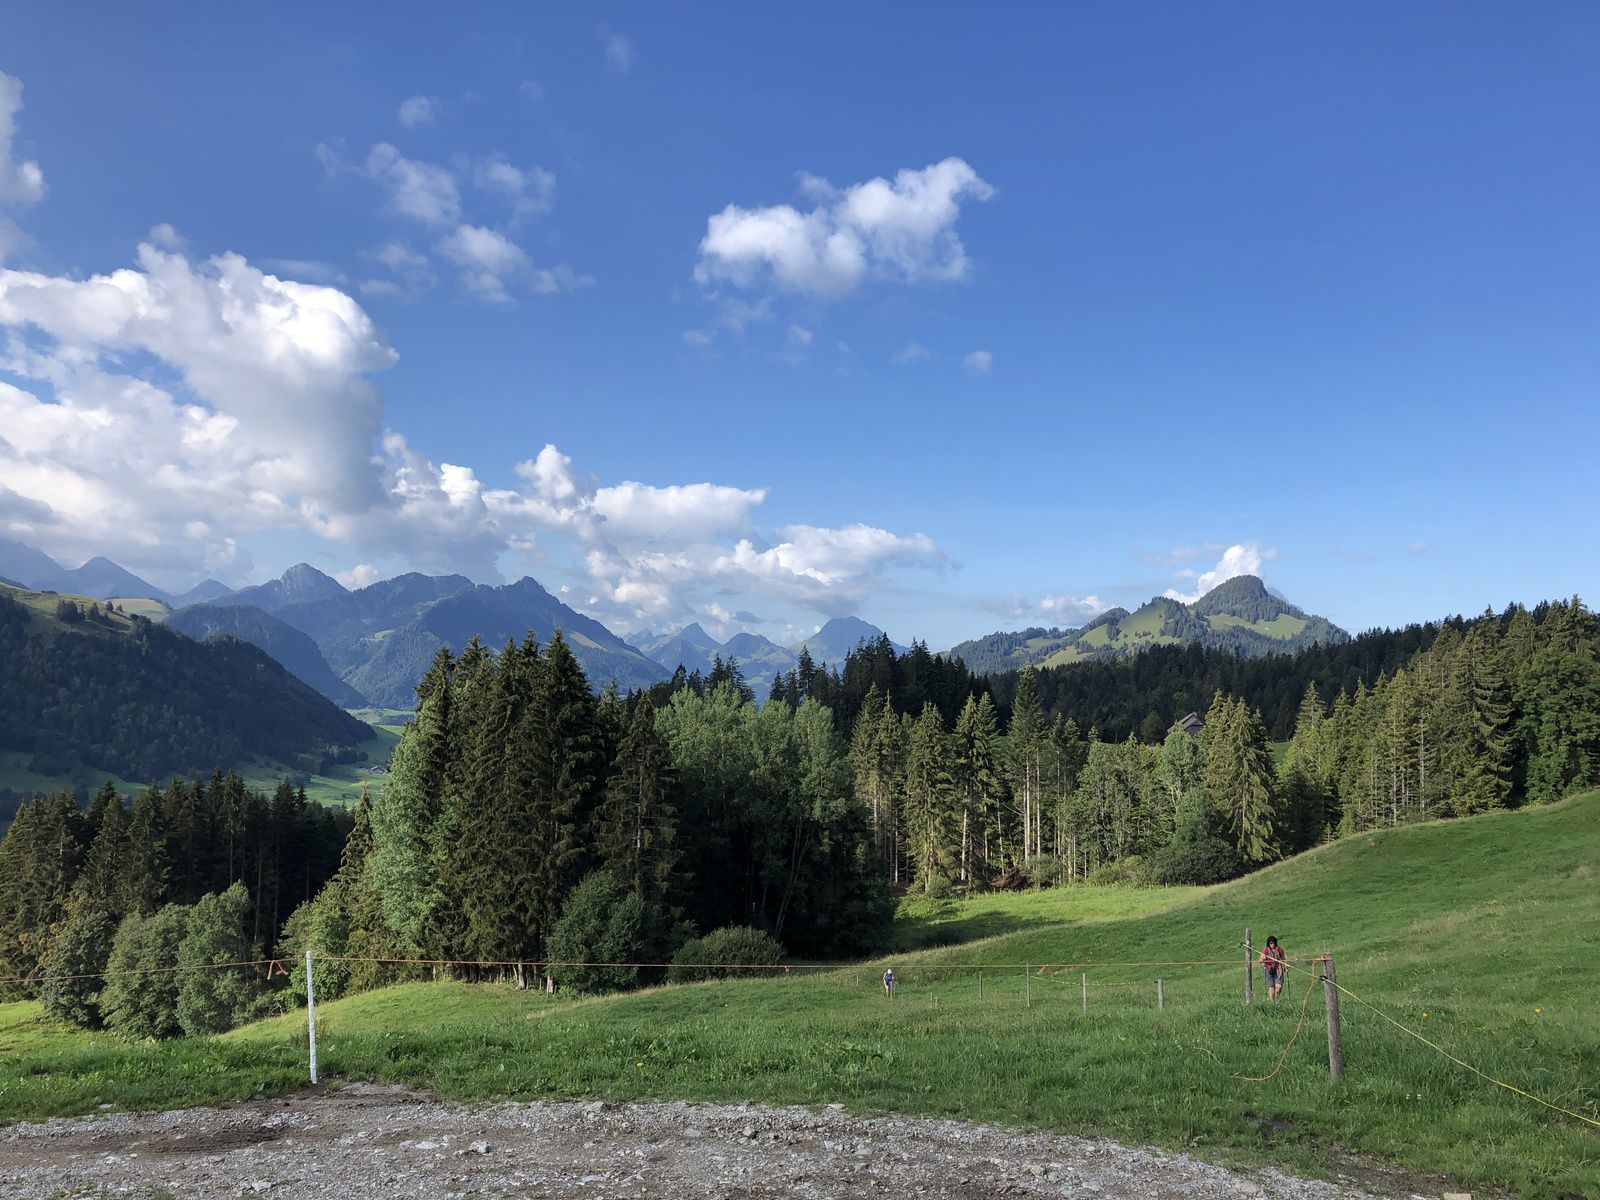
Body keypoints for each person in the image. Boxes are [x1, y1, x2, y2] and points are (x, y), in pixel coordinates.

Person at [1259, 935, 1286, 1000]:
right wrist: (1263, 959)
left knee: (1278, 987)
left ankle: (1277, 999)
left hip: (1278, 969)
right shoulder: (1266, 950)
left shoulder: (1279, 949)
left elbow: (1284, 959)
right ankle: (1272, 1002)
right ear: (1268, 943)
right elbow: (1260, 961)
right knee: (1271, 987)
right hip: (1269, 970)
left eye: (1273, 942)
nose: (1272, 944)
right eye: (1270, 943)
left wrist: (1286, 966)